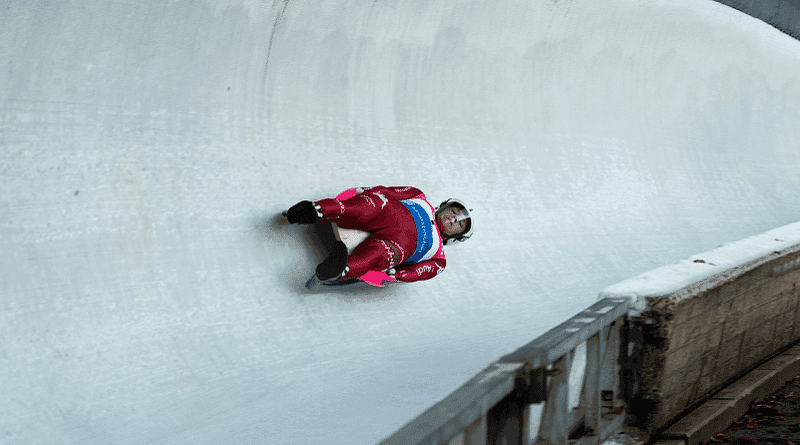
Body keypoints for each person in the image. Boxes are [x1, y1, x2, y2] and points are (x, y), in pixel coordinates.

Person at [285, 186, 473, 283]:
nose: (454, 219)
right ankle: (314, 211)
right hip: (388, 211)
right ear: (445, 206)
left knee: (379, 255)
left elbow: (420, 273)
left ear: (457, 237)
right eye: (455, 212)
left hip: (398, 245)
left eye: (460, 223)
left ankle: (340, 267)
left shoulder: (439, 257)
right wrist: (369, 192)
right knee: (367, 206)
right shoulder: (419, 196)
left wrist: (398, 275)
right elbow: (388, 191)